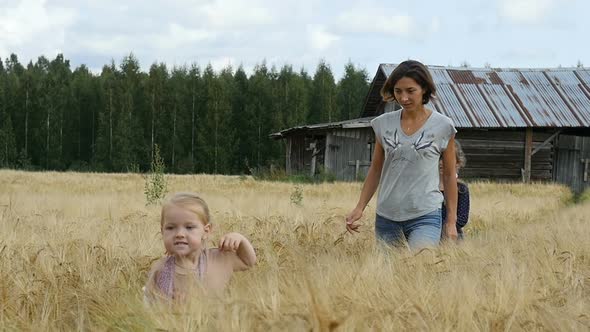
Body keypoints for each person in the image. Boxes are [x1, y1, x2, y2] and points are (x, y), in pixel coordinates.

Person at [345, 60, 458, 250]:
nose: (403, 98)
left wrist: (451, 221)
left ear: (424, 89)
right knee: (389, 277)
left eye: (410, 91)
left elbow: (448, 175)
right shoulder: (382, 124)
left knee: (422, 268)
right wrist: (359, 207)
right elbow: (375, 170)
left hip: (425, 213)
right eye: (398, 91)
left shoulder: (443, 126)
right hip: (387, 216)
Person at [144, 192, 256, 303]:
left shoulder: (219, 258)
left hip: (219, 320)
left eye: (189, 227)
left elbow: (248, 262)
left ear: (206, 231)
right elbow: (149, 305)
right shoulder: (161, 269)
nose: (179, 234)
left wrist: (241, 240)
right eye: (170, 228)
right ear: (162, 231)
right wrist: (172, 307)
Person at [440, 139, 470, 240]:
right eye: (439, 158)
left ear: (458, 163)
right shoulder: (427, 187)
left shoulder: (461, 189)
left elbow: (462, 218)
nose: (441, 162)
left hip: (452, 234)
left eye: (446, 158)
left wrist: (446, 225)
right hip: (428, 232)